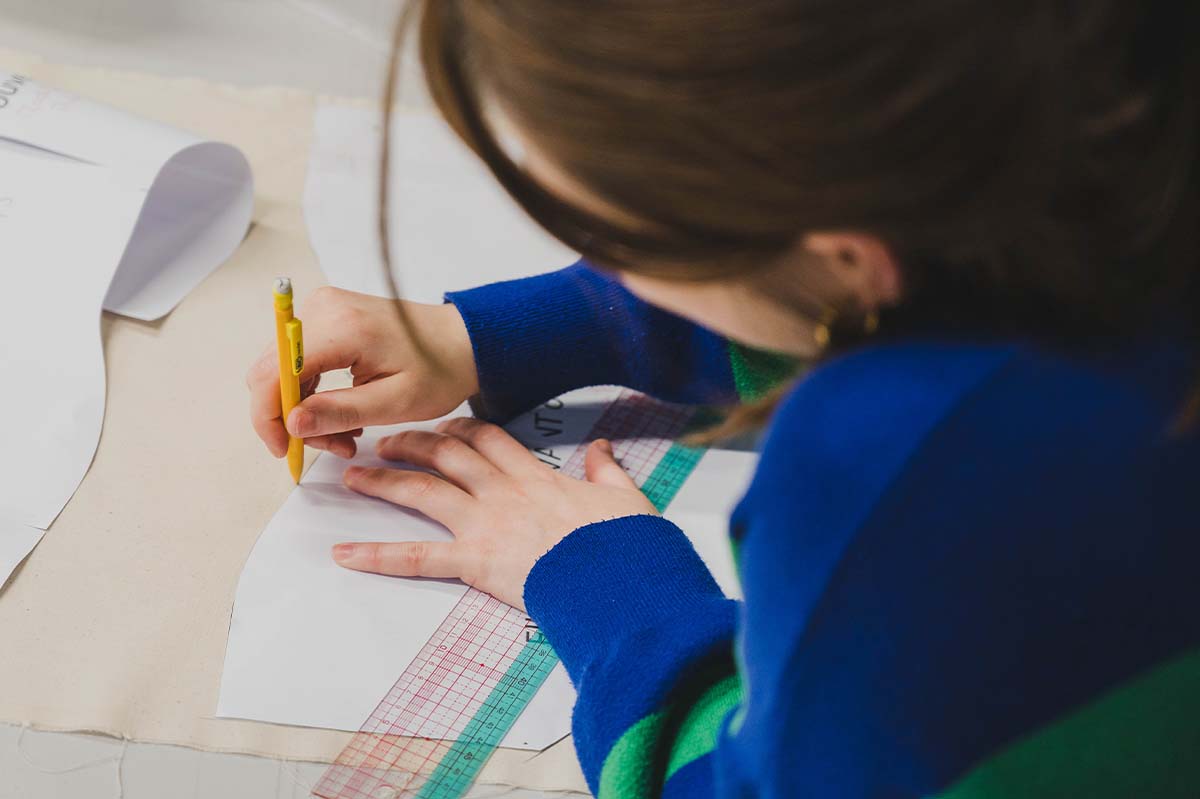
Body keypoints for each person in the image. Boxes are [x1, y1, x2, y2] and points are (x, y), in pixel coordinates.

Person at [247, 2, 1200, 796]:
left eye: (619, 237)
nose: (608, 264)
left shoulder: (901, 481)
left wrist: (606, 584)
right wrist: (509, 334)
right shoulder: (1124, 116)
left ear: (842, 256)